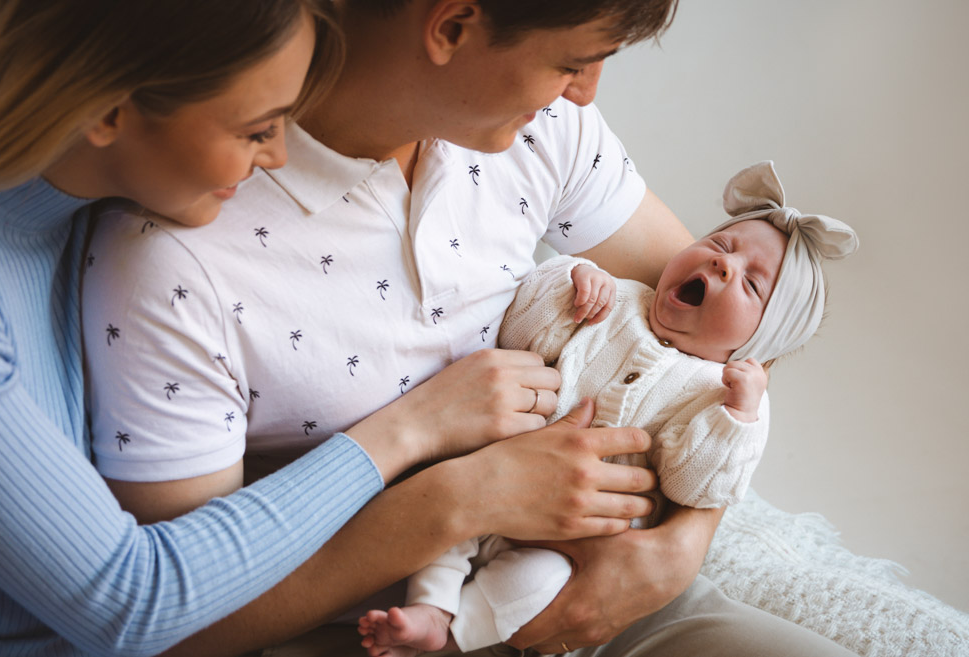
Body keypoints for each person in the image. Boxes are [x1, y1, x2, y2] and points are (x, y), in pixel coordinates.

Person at [89, 3, 859, 657]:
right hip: (365, 622)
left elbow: (728, 331)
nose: (587, 93)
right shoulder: (177, 249)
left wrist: (678, 548)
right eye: (576, 61)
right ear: (452, 24)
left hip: (602, 576)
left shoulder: (545, 128)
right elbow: (181, 617)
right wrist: (465, 497)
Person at [0, 2, 647, 655]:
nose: (279, 156)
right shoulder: (37, 278)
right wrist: (420, 439)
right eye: (258, 127)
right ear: (110, 108)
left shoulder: (72, 208)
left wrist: (677, 545)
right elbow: (128, 605)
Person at [356, 161, 859, 656]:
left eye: (751, 285)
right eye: (719, 245)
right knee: (443, 535)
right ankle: (429, 610)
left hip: (571, 548)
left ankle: (457, 635)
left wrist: (736, 420)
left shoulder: (722, 396)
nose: (723, 263)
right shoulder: (617, 299)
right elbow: (521, 333)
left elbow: (694, 486)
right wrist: (571, 283)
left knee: (536, 582)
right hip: (485, 488)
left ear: (759, 346)